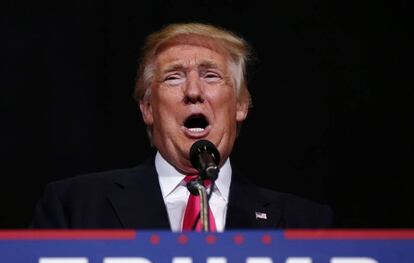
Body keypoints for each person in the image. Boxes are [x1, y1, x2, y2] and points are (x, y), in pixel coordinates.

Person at [31, 23, 333, 231]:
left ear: (240, 105)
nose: (193, 91)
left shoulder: (305, 222)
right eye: (174, 77)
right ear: (148, 108)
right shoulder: (74, 207)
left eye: (211, 76)